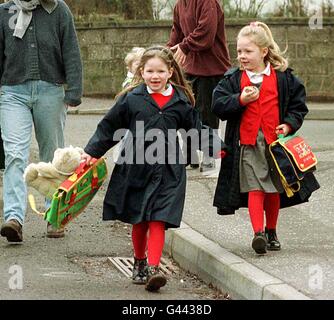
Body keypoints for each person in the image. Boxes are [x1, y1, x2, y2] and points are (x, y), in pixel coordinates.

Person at [81, 46, 227, 292]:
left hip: (169, 170)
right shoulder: (132, 99)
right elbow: (109, 127)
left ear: (171, 72)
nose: (155, 76)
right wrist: (92, 152)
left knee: (158, 218)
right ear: (142, 72)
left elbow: (196, 128)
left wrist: (215, 146)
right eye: (150, 71)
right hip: (136, 167)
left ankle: (153, 267)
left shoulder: (181, 101)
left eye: (160, 71)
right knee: (140, 220)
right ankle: (139, 261)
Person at [211, 21, 320, 255]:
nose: (242, 56)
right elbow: (217, 105)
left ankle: (271, 231)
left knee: (273, 190)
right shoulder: (232, 79)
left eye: (248, 51)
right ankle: (258, 233)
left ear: (264, 51)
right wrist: (240, 100)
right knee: (254, 188)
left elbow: (298, 107)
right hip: (246, 145)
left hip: (274, 146)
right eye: (239, 51)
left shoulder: (284, 78)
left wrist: (289, 124)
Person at [0, 0, 83, 242]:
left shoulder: (58, 10)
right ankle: (14, 218)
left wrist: (74, 90)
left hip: (51, 91)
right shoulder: (4, 12)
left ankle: (54, 214)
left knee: (53, 155)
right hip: (12, 92)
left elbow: (70, 49)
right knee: (14, 153)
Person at [167, 0, 231, 172]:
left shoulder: (208, 2)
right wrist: (166, 52)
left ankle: (209, 155)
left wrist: (185, 46)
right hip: (189, 67)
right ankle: (190, 155)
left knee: (206, 113)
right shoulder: (180, 5)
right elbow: (176, 32)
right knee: (185, 110)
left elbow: (206, 33)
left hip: (211, 68)